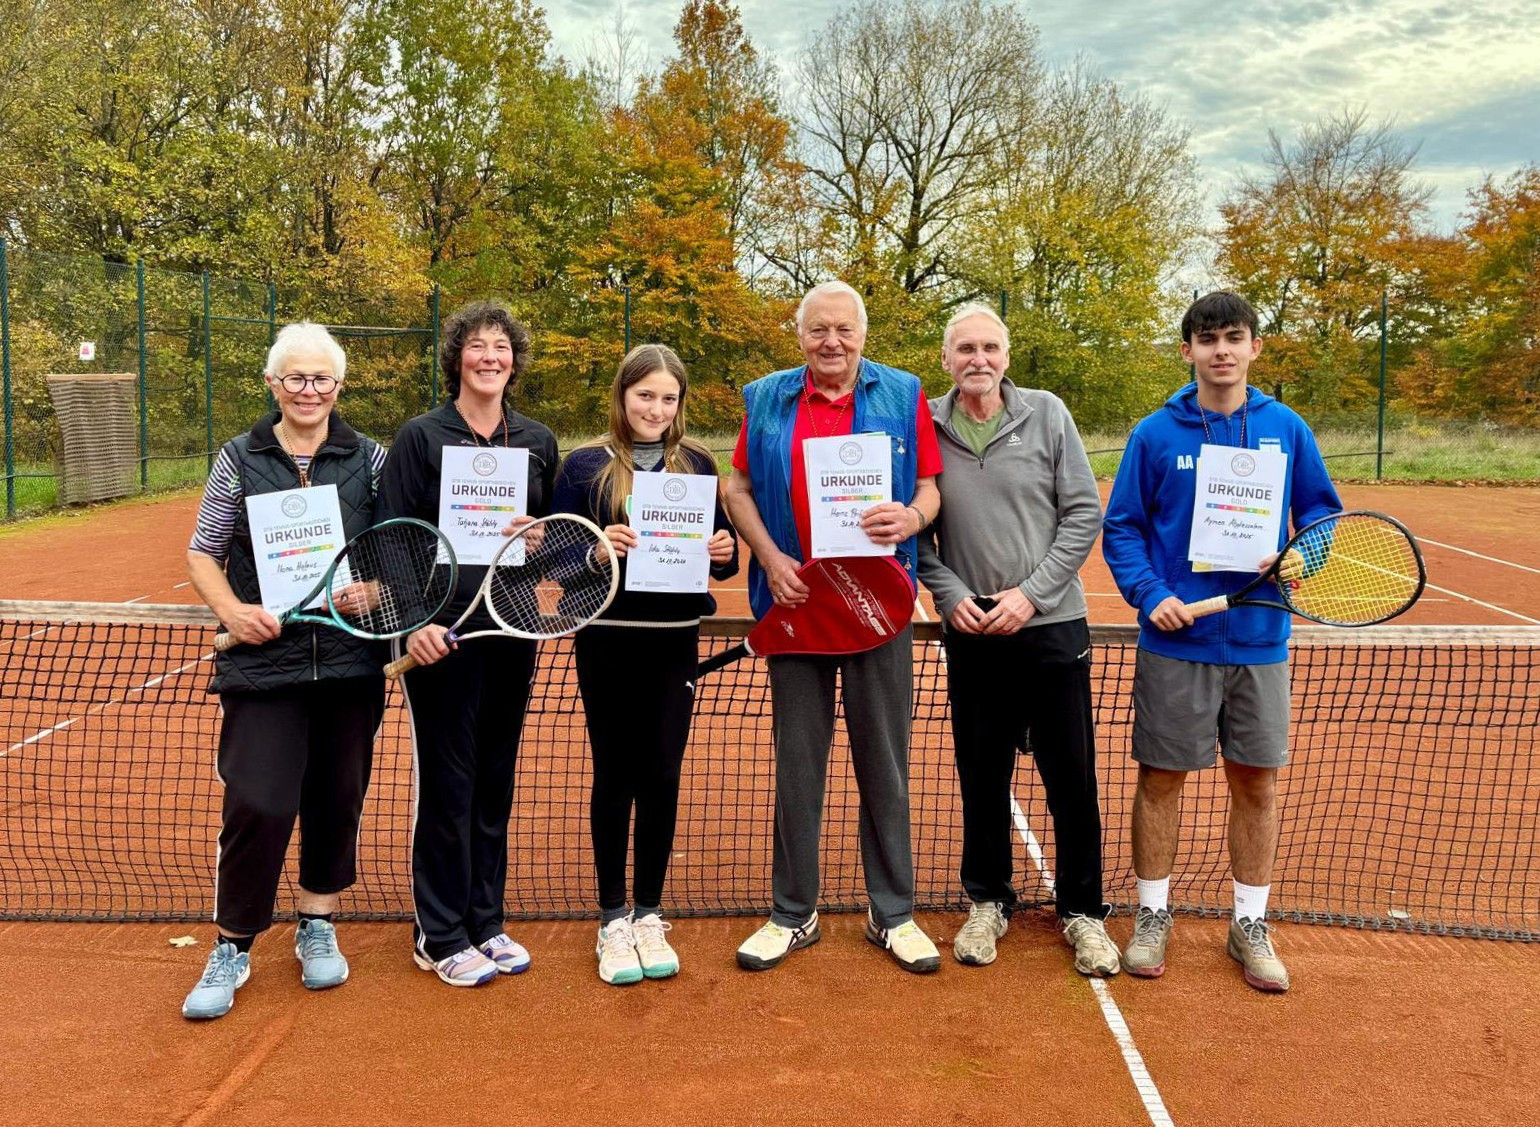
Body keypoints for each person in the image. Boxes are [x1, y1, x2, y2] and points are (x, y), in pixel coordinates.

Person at [1102, 291, 1342, 993]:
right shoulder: (1155, 434)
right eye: (1207, 340)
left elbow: (1321, 514)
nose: (1221, 351)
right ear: (1188, 351)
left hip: (1261, 638)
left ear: (1254, 347)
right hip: (1177, 640)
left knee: (1257, 782)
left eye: (1234, 337)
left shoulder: (1286, 428)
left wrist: (1304, 555)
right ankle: (1153, 914)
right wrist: (1153, 595)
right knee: (1161, 779)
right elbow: (1123, 527)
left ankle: (1250, 923)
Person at [725, 280, 945, 974]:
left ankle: (893, 914)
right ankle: (793, 913)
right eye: (818, 329)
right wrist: (770, 556)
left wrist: (911, 517)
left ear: (862, 334)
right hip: (796, 606)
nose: (832, 342)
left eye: (844, 329)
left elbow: (930, 488)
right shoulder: (766, 398)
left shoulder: (904, 393)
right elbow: (737, 488)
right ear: (800, 335)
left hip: (879, 607)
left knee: (885, 762)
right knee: (798, 765)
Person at [182, 322, 388, 1020]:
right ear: (273, 383)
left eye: (321, 378)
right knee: (259, 802)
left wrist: (377, 592)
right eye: (295, 377)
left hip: (349, 662)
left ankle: (316, 921)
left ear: (339, 385)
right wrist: (232, 612)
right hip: (263, 664)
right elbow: (204, 551)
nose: (308, 390)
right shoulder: (239, 457)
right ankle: (233, 942)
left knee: (337, 797)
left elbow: (400, 552)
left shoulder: (373, 460)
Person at [916, 304, 1119, 974]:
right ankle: (988, 900)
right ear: (946, 359)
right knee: (982, 775)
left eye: (990, 347)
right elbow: (916, 531)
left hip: (1053, 626)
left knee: (1071, 779)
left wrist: (1031, 594)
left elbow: (1082, 512)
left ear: (1006, 356)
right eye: (965, 348)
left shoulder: (1048, 413)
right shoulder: (925, 426)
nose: (978, 359)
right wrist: (950, 595)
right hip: (973, 632)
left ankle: (1083, 911)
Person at [376, 300, 559, 987]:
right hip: (439, 635)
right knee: (449, 782)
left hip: (512, 628)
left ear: (514, 360)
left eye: (501, 347)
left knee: (494, 779)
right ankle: (440, 932)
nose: (490, 356)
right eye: (478, 345)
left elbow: (549, 544)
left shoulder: (536, 440)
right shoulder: (420, 437)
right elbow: (391, 538)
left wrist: (540, 542)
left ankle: (486, 920)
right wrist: (412, 622)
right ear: (457, 358)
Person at [552, 344, 739, 985]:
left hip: (672, 640)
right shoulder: (584, 466)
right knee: (615, 772)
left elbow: (720, 558)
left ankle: (649, 914)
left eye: (667, 398)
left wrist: (721, 549)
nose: (656, 409)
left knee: (661, 772)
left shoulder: (698, 463)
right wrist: (596, 552)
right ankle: (612, 920)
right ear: (623, 396)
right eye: (645, 396)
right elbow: (555, 558)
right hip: (607, 639)